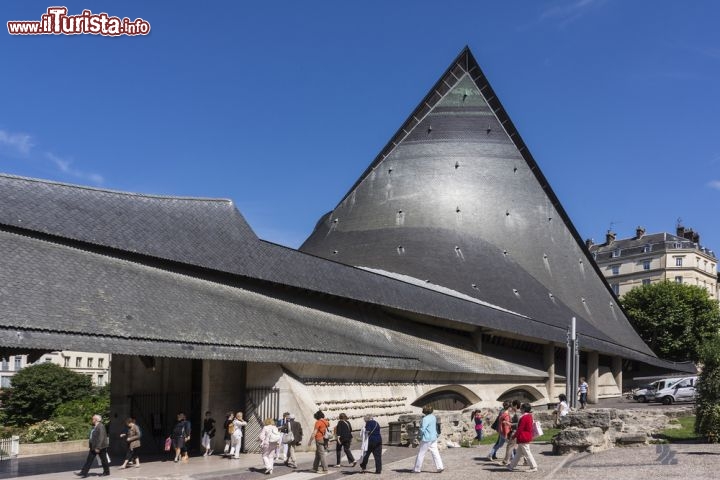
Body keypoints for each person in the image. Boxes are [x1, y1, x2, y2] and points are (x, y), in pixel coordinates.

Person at [507, 403, 538, 473]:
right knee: (518, 453)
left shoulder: (524, 417)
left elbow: (520, 429)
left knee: (527, 453)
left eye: (521, 408)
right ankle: (511, 466)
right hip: (526, 436)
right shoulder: (529, 416)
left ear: (524, 409)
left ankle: (534, 466)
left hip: (523, 437)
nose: (520, 409)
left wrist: (514, 436)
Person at [413, 405, 444, 473]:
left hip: (426, 438)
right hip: (433, 437)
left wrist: (419, 436)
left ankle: (417, 469)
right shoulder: (433, 417)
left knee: (421, 453)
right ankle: (440, 467)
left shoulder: (425, 419)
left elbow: (422, 429)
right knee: (435, 452)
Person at [501, 400, 522, 465]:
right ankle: (525, 460)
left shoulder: (518, 413)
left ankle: (505, 461)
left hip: (515, 431)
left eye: (512, 405)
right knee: (520, 447)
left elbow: (519, 424)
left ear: (515, 405)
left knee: (510, 446)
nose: (511, 406)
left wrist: (509, 423)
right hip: (517, 431)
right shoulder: (517, 412)